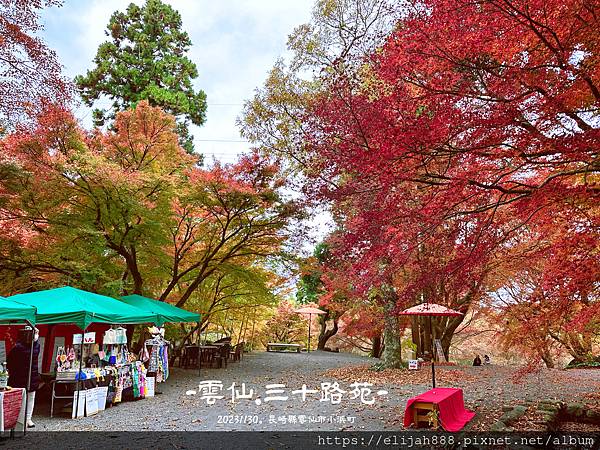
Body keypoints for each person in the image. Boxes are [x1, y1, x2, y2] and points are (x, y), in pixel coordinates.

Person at [7, 327, 40, 428]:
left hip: (19, 378)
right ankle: (28, 419)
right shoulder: (36, 346)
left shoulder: (18, 347)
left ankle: (19, 420)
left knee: (20, 400)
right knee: (30, 399)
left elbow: (9, 360)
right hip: (31, 377)